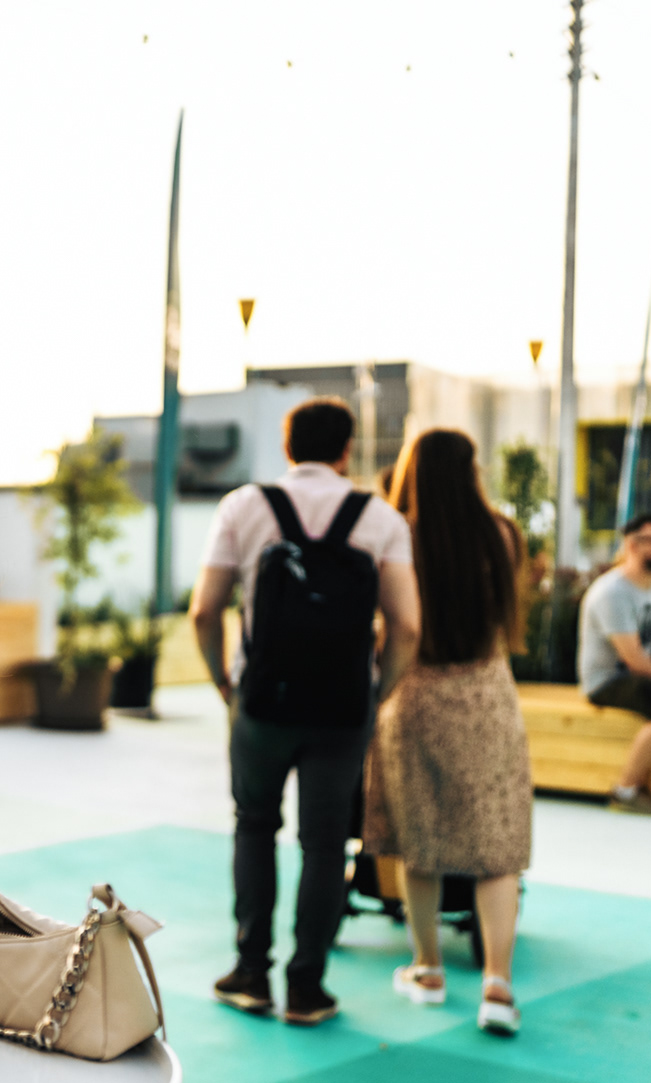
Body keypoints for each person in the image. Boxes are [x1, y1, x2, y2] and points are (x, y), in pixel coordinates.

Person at [191, 397, 421, 1026]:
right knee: (324, 842)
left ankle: (250, 973)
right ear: (347, 450)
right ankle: (307, 987)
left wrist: (225, 684)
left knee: (254, 825)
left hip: (262, 700)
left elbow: (205, 610)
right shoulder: (381, 518)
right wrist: (378, 693)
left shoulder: (243, 506)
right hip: (343, 707)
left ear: (287, 446)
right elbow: (406, 625)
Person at [365, 429, 530, 1035]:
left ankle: (428, 969)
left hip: (416, 695)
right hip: (487, 692)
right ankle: (498, 987)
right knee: (497, 847)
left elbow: (393, 624)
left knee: (421, 840)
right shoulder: (502, 534)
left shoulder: (395, 535)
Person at [577, 512, 651, 814]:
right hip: (607, 681)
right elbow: (635, 660)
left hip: (641, 675)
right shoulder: (612, 592)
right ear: (632, 545)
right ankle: (626, 790)